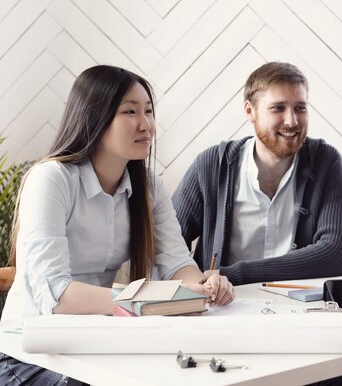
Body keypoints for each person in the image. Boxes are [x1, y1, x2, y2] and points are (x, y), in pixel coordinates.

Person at [0, 65, 234, 386]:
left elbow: (177, 262)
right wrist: (152, 299)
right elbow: (57, 297)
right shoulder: (51, 179)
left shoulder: (148, 185)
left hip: (98, 343)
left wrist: (202, 287)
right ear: (95, 117)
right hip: (29, 352)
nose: (146, 125)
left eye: (149, 111)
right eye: (130, 111)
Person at [172, 62, 342, 285]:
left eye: (300, 108)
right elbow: (167, 244)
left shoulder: (325, 161)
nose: (292, 121)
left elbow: (337, 255)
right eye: (278, 108)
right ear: (250, 111)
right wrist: (197, 282)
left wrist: (235, 274)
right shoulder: (211, 165)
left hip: (300, 308)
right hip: (220, 307)